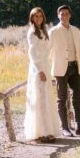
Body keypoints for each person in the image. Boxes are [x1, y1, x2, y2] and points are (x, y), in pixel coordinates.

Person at [49, 4, 80, 136]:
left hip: (75, 67)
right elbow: (48, 52)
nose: (64, 16)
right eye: (61, 14)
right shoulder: (53, 32)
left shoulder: (75, 30)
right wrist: (48, 68)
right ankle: (65, 128)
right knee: (61, 99)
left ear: (70, 15)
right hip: (60, 69)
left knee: (77, 97)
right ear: (58, 15)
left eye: (66, 14)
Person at [23, 7, 61, 143]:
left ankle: (48, 130)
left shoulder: (43, 31)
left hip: (45, 64)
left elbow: (47, 50)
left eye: (40, 16)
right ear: (32, 18)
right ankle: (43, 132)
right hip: (37, 67)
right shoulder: (32, 32)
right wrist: (39, 70)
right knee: (40, 98)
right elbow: (32, 53)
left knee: (47, 98)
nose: (38, 18)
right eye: (35, 16)